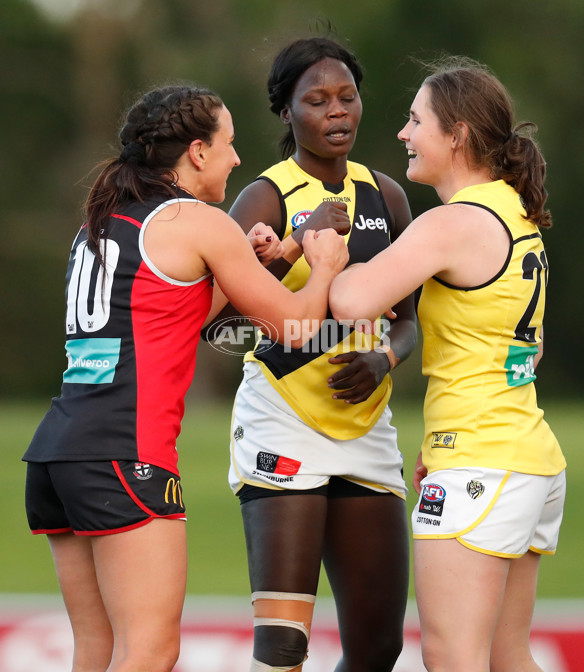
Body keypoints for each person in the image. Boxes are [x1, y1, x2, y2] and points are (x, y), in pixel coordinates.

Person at [22, 84, 348, 672]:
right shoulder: (195, 219)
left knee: (96, 652)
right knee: (150, 652)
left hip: (60, 452)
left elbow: (176, 315)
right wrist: (323, 264)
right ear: (197, 152)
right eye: (229, 144)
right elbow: (297, 328)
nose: (237, 158)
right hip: (128, 451)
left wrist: (277, 254)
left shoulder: (104, 219)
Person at [329, 56, 567, 672]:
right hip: (525, 456)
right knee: (508, 657)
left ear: (456, 134)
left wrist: (324, 251)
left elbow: (353, 300)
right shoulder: (516, 212)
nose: (404, 134)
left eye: (415, 121)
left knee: (452, 658)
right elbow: (528, 350)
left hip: (481, 461)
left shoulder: (455, 222)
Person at [204, 37, 417, 672]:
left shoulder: (388, 195)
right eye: (317, 100)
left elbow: (409, 323)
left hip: (367, 431)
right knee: (283, 647)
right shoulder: (264, 198)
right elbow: (220, 331)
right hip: (284, 419)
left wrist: (386, 361)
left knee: (380, 647)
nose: (337, 112)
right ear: (287, 111)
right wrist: (298, 243)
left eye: (347, 97)